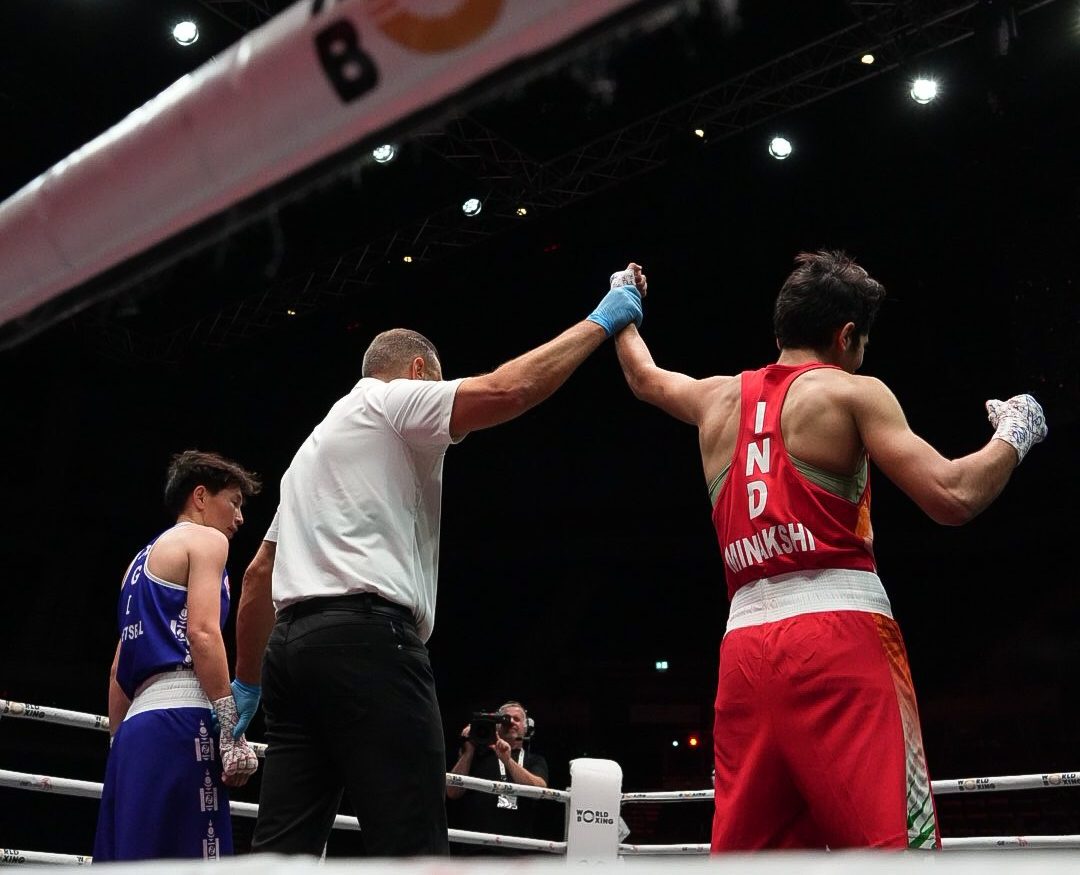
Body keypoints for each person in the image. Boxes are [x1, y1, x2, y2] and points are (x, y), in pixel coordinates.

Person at [614, 250, 1047, 851]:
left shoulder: (715, 399)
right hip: (841, 640)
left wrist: (623, 308)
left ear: (781, 328)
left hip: (743, 656)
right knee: (895, 850)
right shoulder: (851, 394)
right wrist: (1014, 434)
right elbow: (953, 495)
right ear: (846, 336)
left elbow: (643, 377)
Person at [236, 265, 647, 857]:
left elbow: (255, 579)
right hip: (367, 643)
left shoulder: (310, 453)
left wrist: (247, 685)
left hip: (292, 656)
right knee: (411, 838)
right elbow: (509, 390)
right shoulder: (391, 401)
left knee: (283, 847)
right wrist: (603, 320)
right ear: (419, 372)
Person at [93, 450, 263, 861]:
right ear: (201, 496)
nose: (239, 518)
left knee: (131, 863)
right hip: (183, 722)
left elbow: (119, 668)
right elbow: (203, 632)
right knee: (192, 864)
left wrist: (121, 749)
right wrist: (230, 731)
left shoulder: (138, 563)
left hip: (135, 733)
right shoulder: (206, 540)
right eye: (234, 502)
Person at [447, 701, 550, 853]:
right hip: (475, 851)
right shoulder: (476, 756)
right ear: (496, 725)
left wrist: (507, 760)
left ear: (526, 727)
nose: (511, 722)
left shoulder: (534, 760)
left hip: (518, 853)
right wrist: (468, 751)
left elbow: (540, 791)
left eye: (517, 719)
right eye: (506, 718)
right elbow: (452, 792)